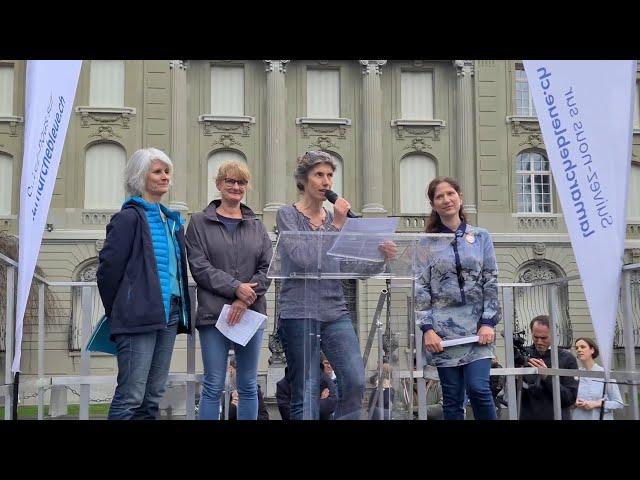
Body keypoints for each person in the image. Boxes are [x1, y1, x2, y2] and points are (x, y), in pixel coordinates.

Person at [276, 150, 397, 420]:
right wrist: (338, 225)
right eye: (319, 175)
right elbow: (303, 258)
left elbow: (350, 267)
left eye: (330, 175)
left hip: (335, 311)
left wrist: (380, 258)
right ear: (303, 180)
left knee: (354, 381)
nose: (326, 182)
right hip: (299, 312)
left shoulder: (333, 220)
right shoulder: (288, 215)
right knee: (306, 389)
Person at [97, 147, 191, 420]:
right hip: (137, 316)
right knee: (130, 396)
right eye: (157, 171)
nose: (165, 177)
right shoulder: (127, 218)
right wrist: (121, 309)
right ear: (140, 176)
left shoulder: (171, 221)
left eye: (167, 172)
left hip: (170, 314)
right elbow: (108, 272)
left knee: (152, 397)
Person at [185, 161, 272, 420]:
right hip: (213, 315)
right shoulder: (199, 223)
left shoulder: (257, 224)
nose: (236, 187)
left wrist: (244, 300)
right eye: (230, 181)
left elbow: (268, 267)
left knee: (247, 385)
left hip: (251, 313)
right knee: (213, 384)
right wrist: (236, 289)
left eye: (241, 182)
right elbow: (199, 267)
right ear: (219, 184)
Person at [415, 176, 501, 420]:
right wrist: (427, 329)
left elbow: (491, 280)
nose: (446, 200)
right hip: (443, 334)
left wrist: (488, 322)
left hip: (478, 330)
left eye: (450, 194)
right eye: (439, 196)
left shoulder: (482, 237)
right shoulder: (427, 242)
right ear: (433, 204)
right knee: (451, 399)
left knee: (479, 389)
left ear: (460, 198)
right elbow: (421, 288)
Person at [519, 315, 578, 420]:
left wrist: (547, 377)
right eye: (535, 337)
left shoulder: (567, 358)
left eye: (544, 338)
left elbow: (570, 399)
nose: (539, 342)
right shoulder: (523, 356)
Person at [572, 337, 624, 420]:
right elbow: (569, 401)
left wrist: (596, 403)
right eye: (577, 348)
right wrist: (574, 403)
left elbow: (618, 403)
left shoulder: (606, 374)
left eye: (583, 347)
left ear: (592, 350)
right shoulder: (575, 375)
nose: (579, 350)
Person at [223, 355, 269, 420]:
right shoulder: (228, 392)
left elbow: (264, 417)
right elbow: (224, 417)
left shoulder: (254, 390)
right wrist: (233, 405)